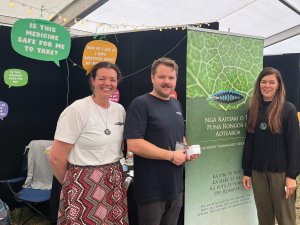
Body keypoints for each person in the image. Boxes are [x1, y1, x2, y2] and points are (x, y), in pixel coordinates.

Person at [49, 62, 128, 225]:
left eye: (112, 79)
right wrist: (72, 184)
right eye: (102, 78)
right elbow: (56, 158)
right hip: (83, 184)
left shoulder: (120, 110)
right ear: (92, 80)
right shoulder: (77, 110)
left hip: (113, 181)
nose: (108, 83)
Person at [124, 57, 199, 225]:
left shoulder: (176, 104)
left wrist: (186, 149)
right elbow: (134, 144)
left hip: (175, 187)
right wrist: (171, 155)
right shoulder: (140, 104)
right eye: (162, 77)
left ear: (176, 80)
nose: (167, 82)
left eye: (171, 78)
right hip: (152, 190)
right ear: (152, 78)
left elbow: (179, 136)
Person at [242, 67, 300, 225]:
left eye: (271, 82)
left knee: (285, 220)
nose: (267, 86)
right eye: (263, 82)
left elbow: (294, 145)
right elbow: (250, 142)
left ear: (278, 85)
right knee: (264, 218)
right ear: (258, 85)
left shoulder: (288, 109)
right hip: (258, 173)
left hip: (280, 175)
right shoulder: (254, 109)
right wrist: (247, 171)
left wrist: (291, 177)